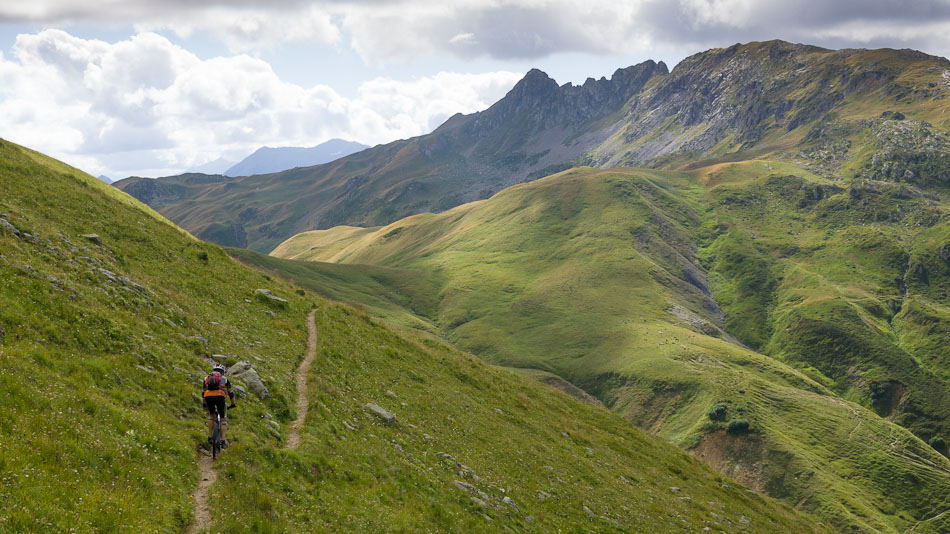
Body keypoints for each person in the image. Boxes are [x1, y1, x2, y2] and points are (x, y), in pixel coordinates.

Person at [202, 363, 236, 448]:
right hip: (220, 397)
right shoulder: (225, 379)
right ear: (222, 372)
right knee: (223, 418)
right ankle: (223, 441)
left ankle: (209, 437)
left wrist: (204, 403)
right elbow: (230, 393)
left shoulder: (206, 378)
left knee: (211, 415)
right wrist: (232, 404)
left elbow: (203, 392)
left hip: (208, 397)